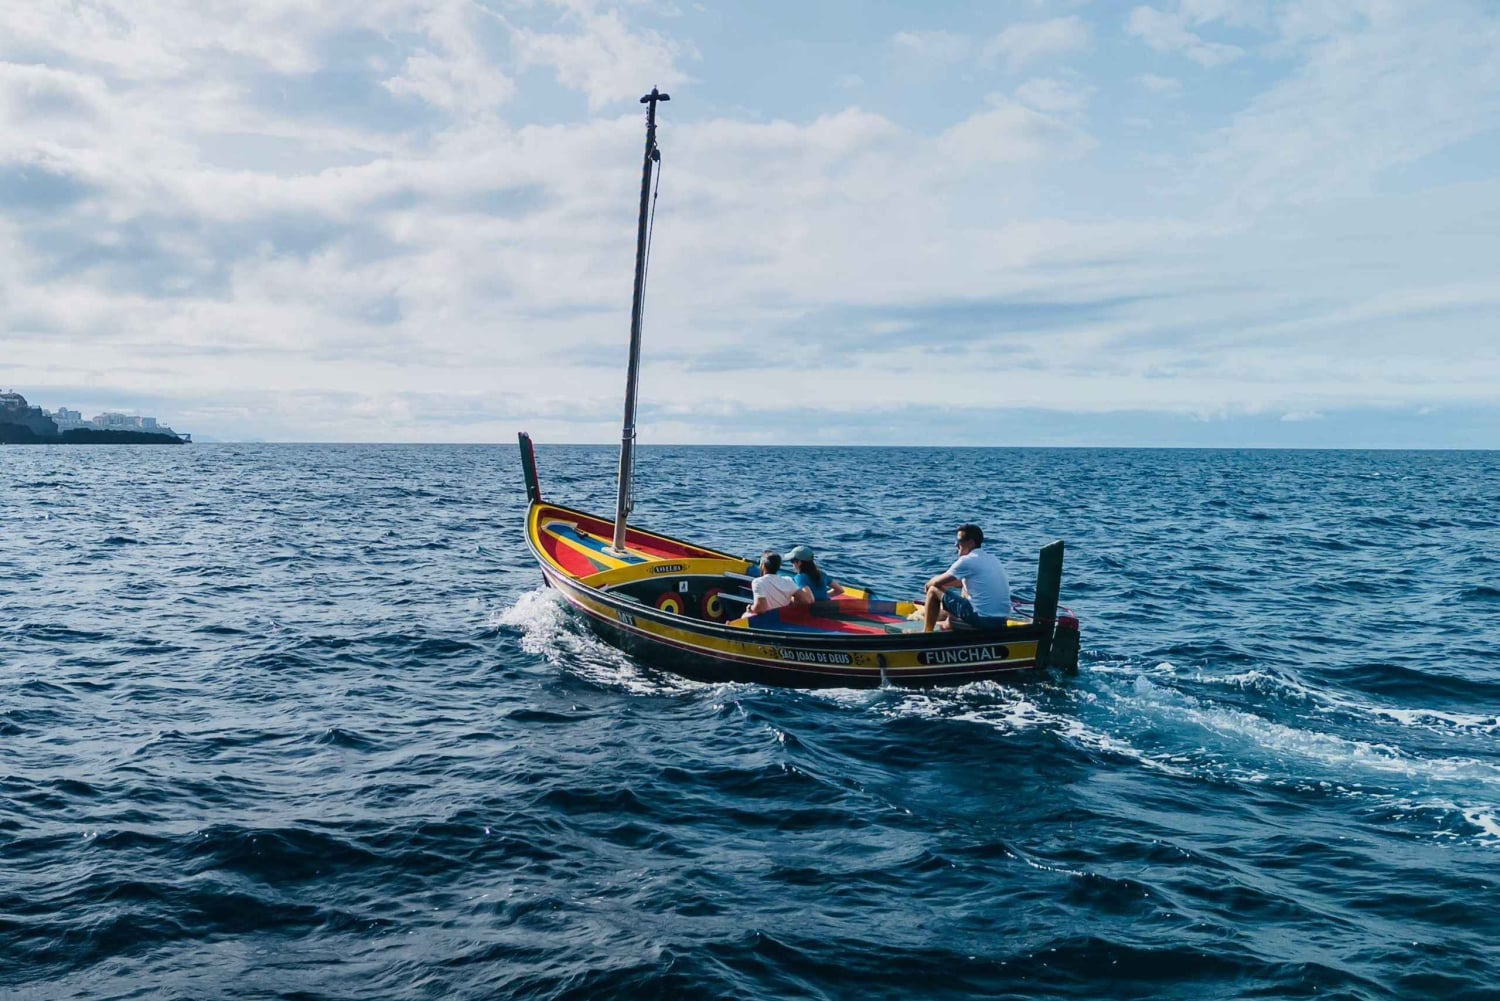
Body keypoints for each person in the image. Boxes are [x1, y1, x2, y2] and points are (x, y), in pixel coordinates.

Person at [920, 524, 1011, 632]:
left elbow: (934, 583)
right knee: (963, 584)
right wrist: (946, 586)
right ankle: (950, 622)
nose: (956, 545)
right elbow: (960, 582)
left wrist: (928, 585)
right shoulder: (992, 559)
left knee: (933, 591)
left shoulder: (967, 561)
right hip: (1001, 621)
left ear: (971, 542)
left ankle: (926, 632)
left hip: (983, 621)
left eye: (959, 541)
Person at [742, 550, 801, 618]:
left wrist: (750, 608)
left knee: (744, 616)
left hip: (766, 618)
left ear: (763, 566)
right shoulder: (788, 580)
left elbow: (761, 608)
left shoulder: (758, 582)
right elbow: (804, 599)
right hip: (782, 617)